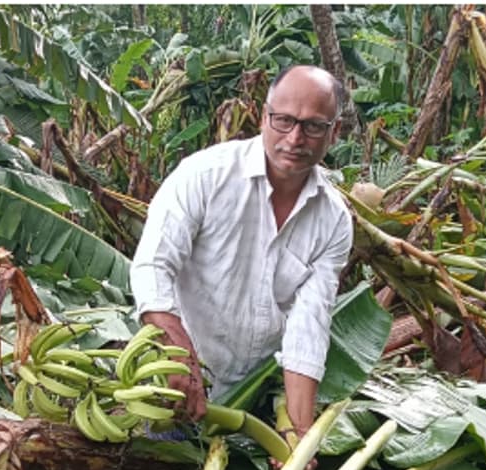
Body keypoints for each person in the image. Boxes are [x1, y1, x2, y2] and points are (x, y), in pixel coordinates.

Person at [130, 65, 353, 447]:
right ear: (264, 116)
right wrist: (178, 352)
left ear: (333, 133)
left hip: (258, 392)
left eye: (313, 126)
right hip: (179, 379)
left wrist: (299, 433)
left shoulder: (333, 220)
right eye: (283, 121)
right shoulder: (204, 176)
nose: (295, 138)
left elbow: (308, 327)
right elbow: (153, 264)